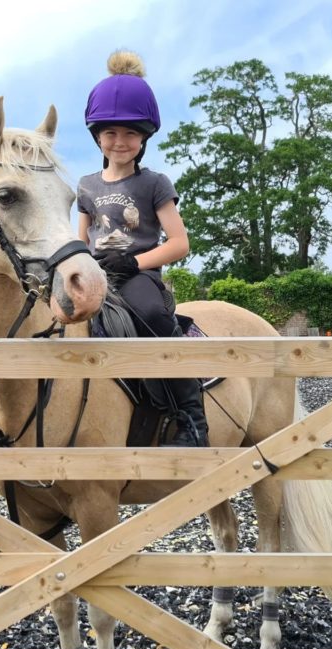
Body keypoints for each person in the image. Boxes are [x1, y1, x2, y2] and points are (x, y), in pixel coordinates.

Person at [77, 50, 209, 447]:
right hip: (98, 273)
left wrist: (134, 261)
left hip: (138, 275)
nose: (120, 142)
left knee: (149, 313)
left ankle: (191, 420)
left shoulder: (155, 183)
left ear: (144, 138)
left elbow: (180, 243)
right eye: (111, 133)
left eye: (130, 133)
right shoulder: (85, 186)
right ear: (98, 136)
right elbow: (79, 240)